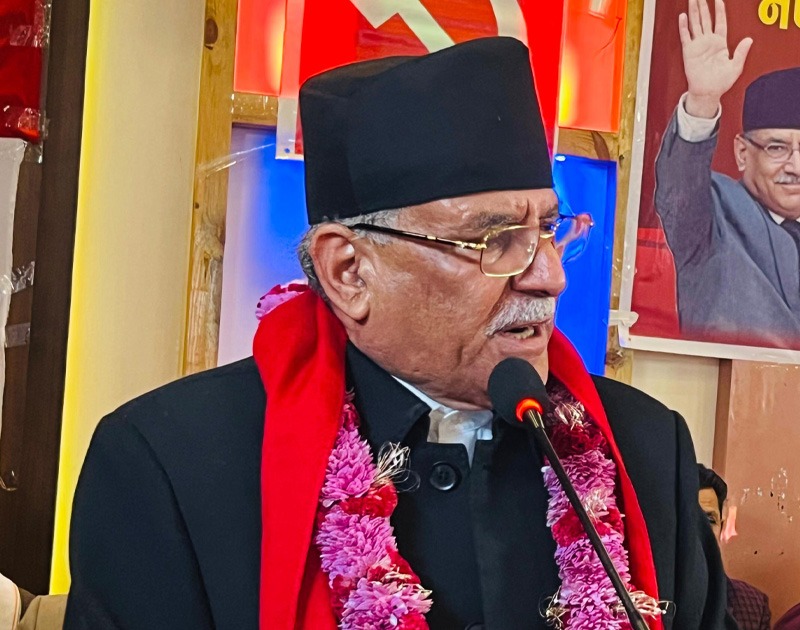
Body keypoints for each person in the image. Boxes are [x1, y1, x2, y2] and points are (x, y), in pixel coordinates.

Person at [65, 37, 729, 629]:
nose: (549, 277)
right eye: (495, 239)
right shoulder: (170, 465)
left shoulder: (646, 449)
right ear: (349, 271)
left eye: (549, 230)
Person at [654, 0, 800, 353]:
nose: (797, 166)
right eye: (777, 148)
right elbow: (679, 191)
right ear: (742, 152)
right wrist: (703, 101)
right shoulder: (713, 213)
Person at [698, 464, 770, 630]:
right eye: (689, 519)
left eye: (709, 520)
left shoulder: (752, 604)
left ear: (721, 527)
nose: (699, 531)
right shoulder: (645, 599)